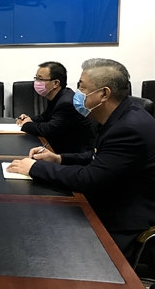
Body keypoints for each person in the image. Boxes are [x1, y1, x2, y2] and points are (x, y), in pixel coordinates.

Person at [8, 58, 155, 262]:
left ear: (104, 94)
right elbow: (97, 156)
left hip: (122, 221)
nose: (77, 93)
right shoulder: (122, 115)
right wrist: (58, 158)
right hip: (110, 199)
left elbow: (88, 178)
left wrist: (34, 168)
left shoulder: (128, 129)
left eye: (82, 87)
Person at [16, 61, 96, 154]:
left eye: (40, 79)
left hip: (74, 154)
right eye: (36, 78)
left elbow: (49, 130)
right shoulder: (56, 96)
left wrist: (27, 125)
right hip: (60, 147)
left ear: (55, 83)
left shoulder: (66, 103)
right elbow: (45, 117)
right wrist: (28, 119)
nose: (36, 82)